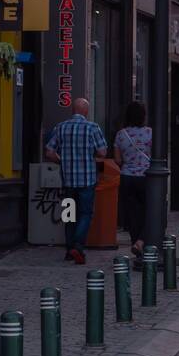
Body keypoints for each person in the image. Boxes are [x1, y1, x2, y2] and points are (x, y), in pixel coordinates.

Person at [44, 98, 107, 264]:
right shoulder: (92, 127)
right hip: (87, 180)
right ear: (86, 111)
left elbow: (49, 152)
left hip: (67, 180)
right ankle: (78, 246)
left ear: (73, 110)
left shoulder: (60, 127)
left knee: (69, 215)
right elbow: (102, 152)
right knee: (85, 213)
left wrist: (62, 160)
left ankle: (68, 250)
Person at [112, 101, 152, 260]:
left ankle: (136, 242)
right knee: (151, 212)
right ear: (143, 116)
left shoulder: (121, 134)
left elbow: (117, 159)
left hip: (127, 177)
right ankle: (141, 242)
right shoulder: (150, 133)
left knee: (133, 215)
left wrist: (128, 163)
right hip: (145, 177)